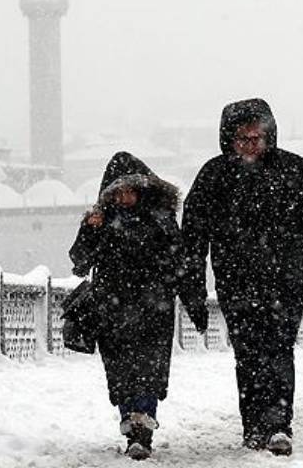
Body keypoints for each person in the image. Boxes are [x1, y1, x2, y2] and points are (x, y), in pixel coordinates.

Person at [180, 98, 303, 457]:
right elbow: (192, 236)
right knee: (248, 353)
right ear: (230, 139)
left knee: (278, 349)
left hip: (283, 280)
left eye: (257, 137)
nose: (251, 145)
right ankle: (254, 425)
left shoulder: (292, 170)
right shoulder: (214, 176)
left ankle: (278, 424)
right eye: (243, 138)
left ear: (269, 136)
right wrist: (192, 285)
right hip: (235, 281)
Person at [68, 151, 209, 461]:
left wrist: (195, 304)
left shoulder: (161, 220)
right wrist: (90, 229)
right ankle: (131, 424)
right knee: (120, 373)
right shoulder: (101, 222)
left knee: (148, 370)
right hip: (112, 311)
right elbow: (79, 263)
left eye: (130, 189)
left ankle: (141, 429)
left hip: (153, 311)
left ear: (144, 188)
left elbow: (182, 265)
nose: (125, 196)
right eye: (118, 191)